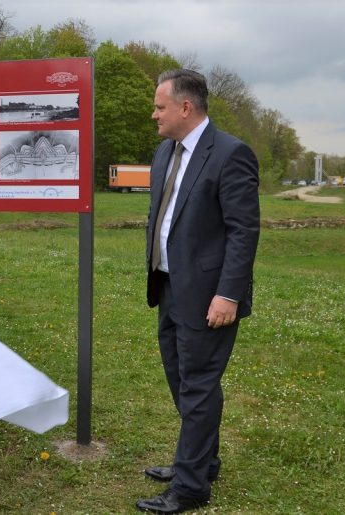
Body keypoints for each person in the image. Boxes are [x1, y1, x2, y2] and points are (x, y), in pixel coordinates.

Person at [138, 69, 260, 513]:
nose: (154, 115)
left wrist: (228, 294)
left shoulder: (231, 154)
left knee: (199, 385)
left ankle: (190, 487)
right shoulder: (163, 152)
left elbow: (243, 231)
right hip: (169, 286)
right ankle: (202, 459)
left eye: (160, 107)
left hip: (210, 295)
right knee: (183, 379)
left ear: (185, 108)